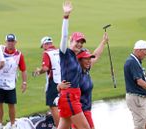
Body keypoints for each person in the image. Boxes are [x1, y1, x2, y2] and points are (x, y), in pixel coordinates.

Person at [57, 1, 90, 129]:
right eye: (77, 41)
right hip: (69, 97)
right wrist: (66, 16)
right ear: (71, 40)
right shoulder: (65, 52)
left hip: (72, 96)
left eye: (82, 42)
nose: (80, 44)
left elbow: (91, 59)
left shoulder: (77, 56)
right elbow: (64, 35)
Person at [0, 34, 27, 129]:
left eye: (12, 41)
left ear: (15, 42)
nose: (10, 43)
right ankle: (0, 124)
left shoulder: (19, 55)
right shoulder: (0, 51)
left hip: (10, 84)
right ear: (6, 42)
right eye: (8, 41)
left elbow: (23, 70)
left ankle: (13, 124)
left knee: (11, 105)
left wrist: (24, 82)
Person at [33, 36, 61, 127]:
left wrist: (38, 71)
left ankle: (59, 126)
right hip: (64, 81)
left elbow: (45, 68)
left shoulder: (47, 53)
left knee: (53, 106)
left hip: (53, 82)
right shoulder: (59, 51)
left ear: (44, 45)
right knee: (62, 105)